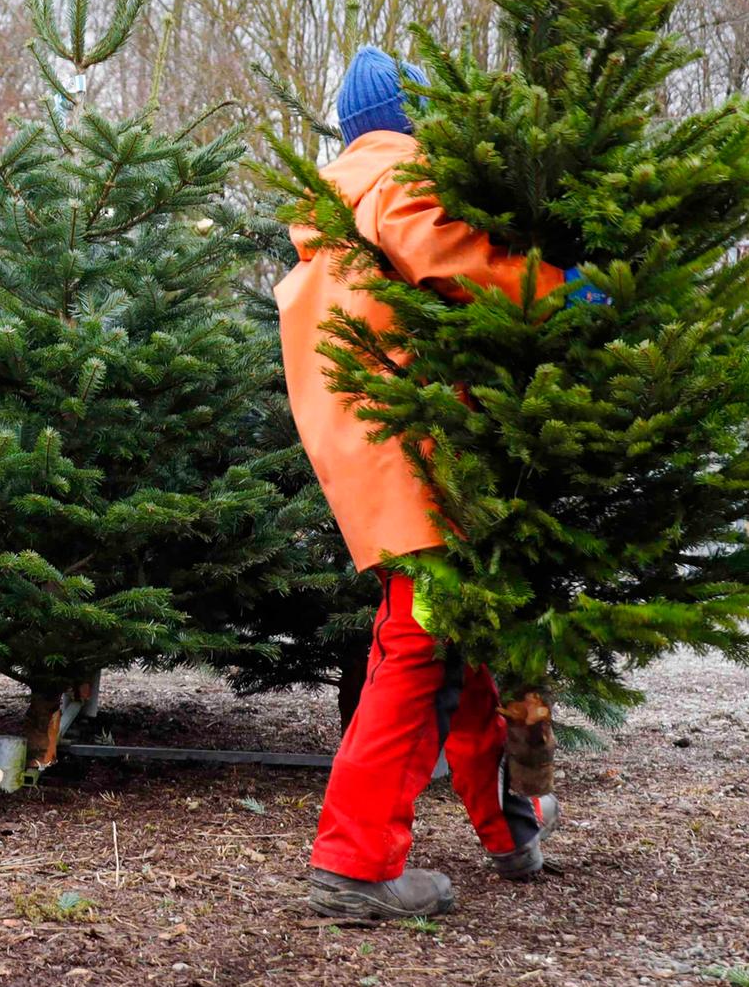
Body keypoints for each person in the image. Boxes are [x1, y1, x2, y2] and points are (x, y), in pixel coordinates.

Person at [276, 46, 563, 920]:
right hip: (426, 467)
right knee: (421, 655)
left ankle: (508, 833)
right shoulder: (396, 183)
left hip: (393, 469)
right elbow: (450, 252)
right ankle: (356, 868)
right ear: (414, 124)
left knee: (461, 651)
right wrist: (560, 287)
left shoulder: (331, 215)